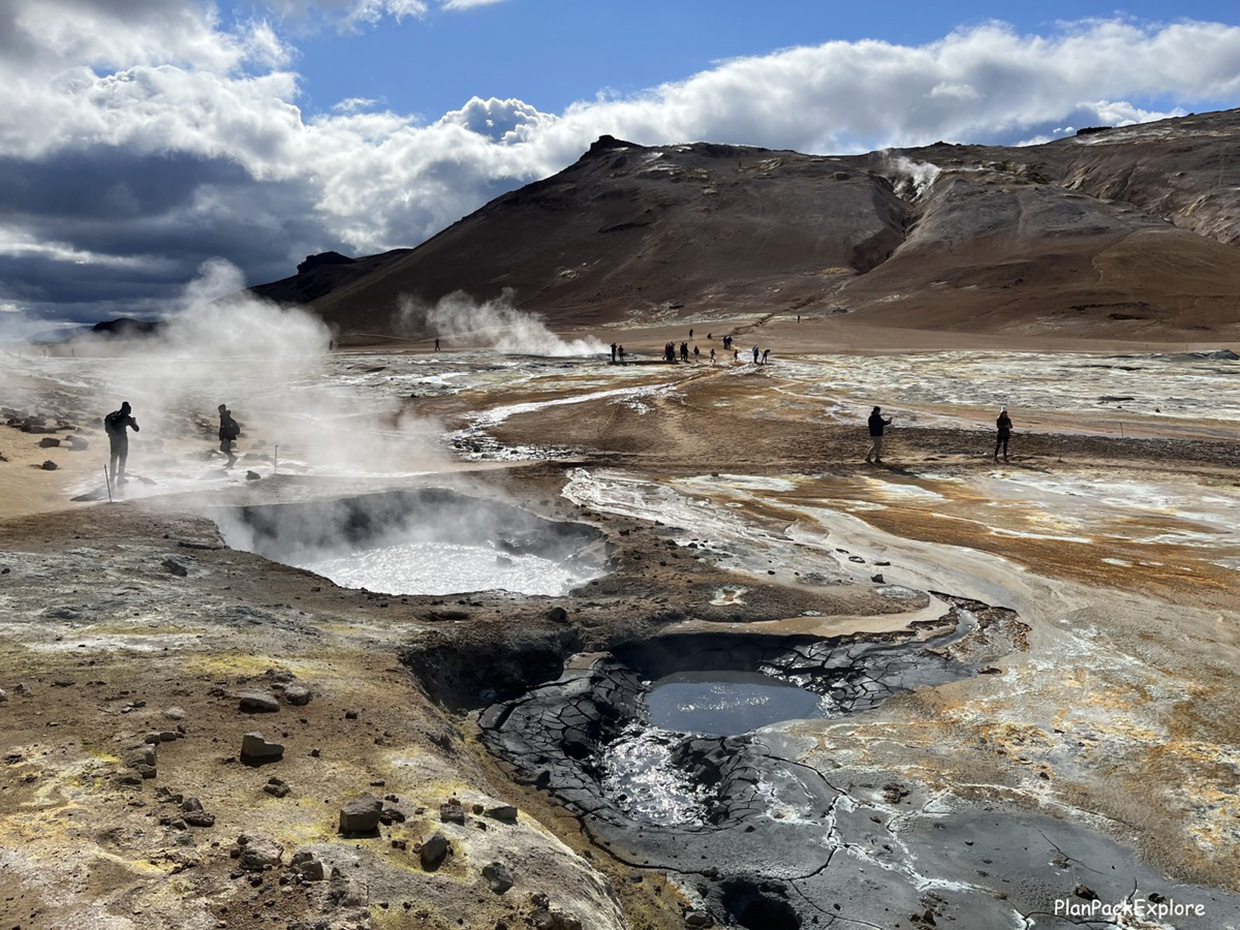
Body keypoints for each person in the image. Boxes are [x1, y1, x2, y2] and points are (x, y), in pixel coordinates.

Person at [103, 401, 139, 486]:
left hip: (113, 439)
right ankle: (120, 479)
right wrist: (134, 421)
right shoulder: (126, 418)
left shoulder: (112, 415)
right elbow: (136, 429)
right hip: (122, 439)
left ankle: (111, 478)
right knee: (122, 459)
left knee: (113, 458)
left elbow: (106, 424)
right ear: (128, 410)